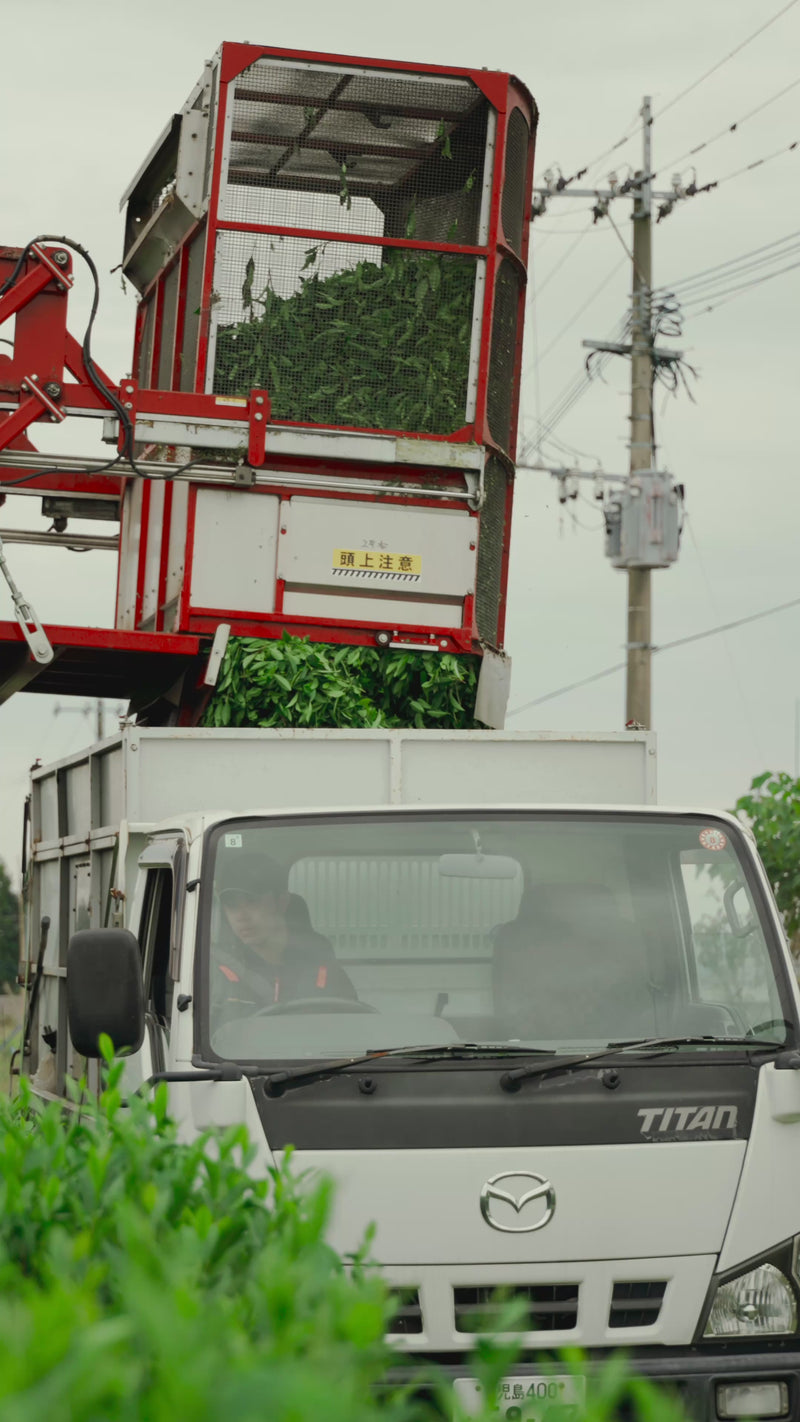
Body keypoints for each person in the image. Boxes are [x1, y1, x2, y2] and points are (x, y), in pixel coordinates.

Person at [211, 852, 357, 1027]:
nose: (241, 916)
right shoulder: (215, 974)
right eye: (232, 905)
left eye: (251, 902)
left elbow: (353, 1030)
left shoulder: (325, 971)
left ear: (282, 902)